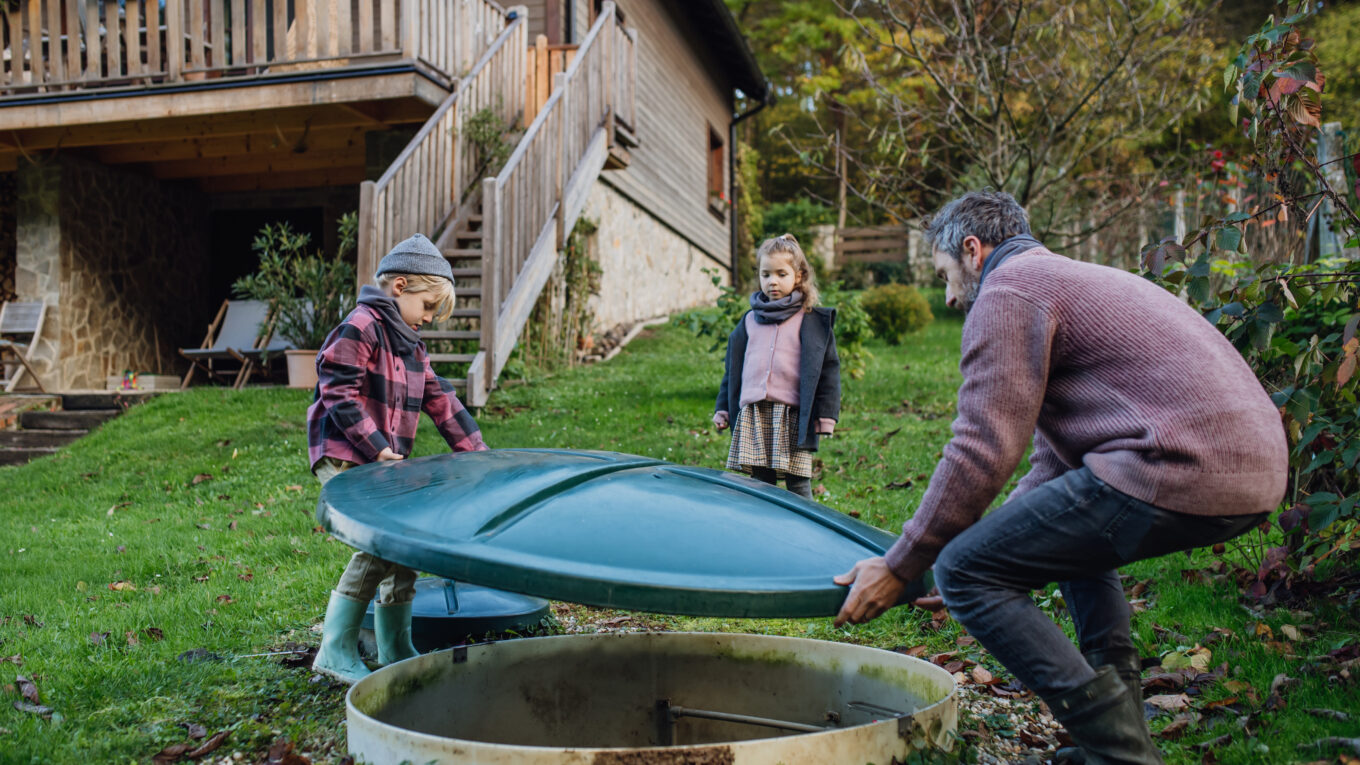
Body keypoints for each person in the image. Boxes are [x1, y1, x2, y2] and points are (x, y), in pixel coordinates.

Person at [832, 191, 1287, 764]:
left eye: (947, 274)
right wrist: (985, 541)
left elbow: (980, 448)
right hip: (1250, 468)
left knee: (965, 570)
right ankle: (1113, 751)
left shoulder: (1010, 292)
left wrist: (906, 564)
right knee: (1055, 546)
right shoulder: (1062, 280)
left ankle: (1123, 757)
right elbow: (1051, 468)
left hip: (1179, 464)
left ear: (973, 251)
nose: (949, 296)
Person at [306, 233, 488, 685]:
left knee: (405, 545)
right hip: (347, 452)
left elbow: (440, 398)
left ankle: (393, 647)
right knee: (381, 545)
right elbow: (337, 389)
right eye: (428, 307)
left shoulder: (411, 343)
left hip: (381, 457)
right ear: (400, 287)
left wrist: (481, 457)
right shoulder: (362, 324)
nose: (428, 318)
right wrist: (375, 447)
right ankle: (334, 649)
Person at [714, 233, 841, 500]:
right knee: (763, 484)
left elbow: (829, 371)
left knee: (798, 483)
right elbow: (732, 371)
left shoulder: (810, 321)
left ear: (799, 276)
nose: (772, 281)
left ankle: (807, 527)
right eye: (766, 274)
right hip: (756, 412)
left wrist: (826, 416)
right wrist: (723, 408)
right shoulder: (749, 321)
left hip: (792, 415)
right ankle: (768, 531)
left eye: (781, 274)